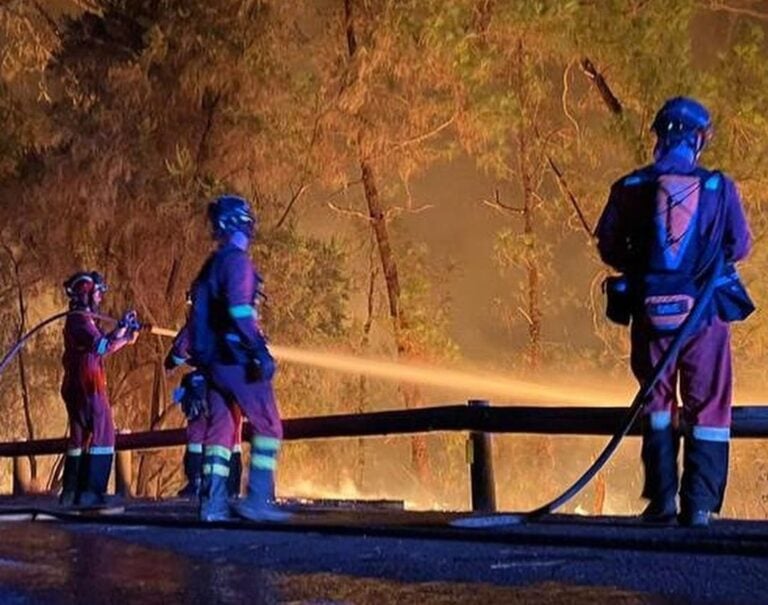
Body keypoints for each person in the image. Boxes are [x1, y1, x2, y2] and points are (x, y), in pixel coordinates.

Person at [595, 97, 753, 528]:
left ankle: (661, 501)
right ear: (699, 139)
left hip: (651, 320)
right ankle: (699, 506)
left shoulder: (628, 188)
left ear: (659, 136)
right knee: (709, 408)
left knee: (657, 405)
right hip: (704, 320)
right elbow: (740, 247)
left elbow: (609, 246)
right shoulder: (719, 189)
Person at [186, 194, 287, 522]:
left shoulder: (212, 265)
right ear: (236, 223)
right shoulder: (236, 262)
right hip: (237, 359)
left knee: (220, 434)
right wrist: (258, 349)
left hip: (214, 365)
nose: (250, 224)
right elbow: (241, 310)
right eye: (246, 219)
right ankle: (258, 501)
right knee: (268, 424)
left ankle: (212, 505)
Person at [60, 271, 140, 507]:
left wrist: (124, 336)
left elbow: (101, 343)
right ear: (85, 293)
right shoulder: (81, 320)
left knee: (80, 438)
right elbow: (101, 346)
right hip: (89, 383)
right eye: (97, 292)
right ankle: (92, 491)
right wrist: (122, 332)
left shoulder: (79, 319)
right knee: (103, 433)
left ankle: (72, 492)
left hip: (75, 384)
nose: (100, 298)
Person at [164, 322, 244, 499]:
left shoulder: (199, 319)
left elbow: (176, 357)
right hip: (231, 385)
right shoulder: (240, 318)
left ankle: (197, 483)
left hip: (204, 384)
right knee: (231, 435)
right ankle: (229, 486)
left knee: (198, 434)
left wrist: (172, 359)